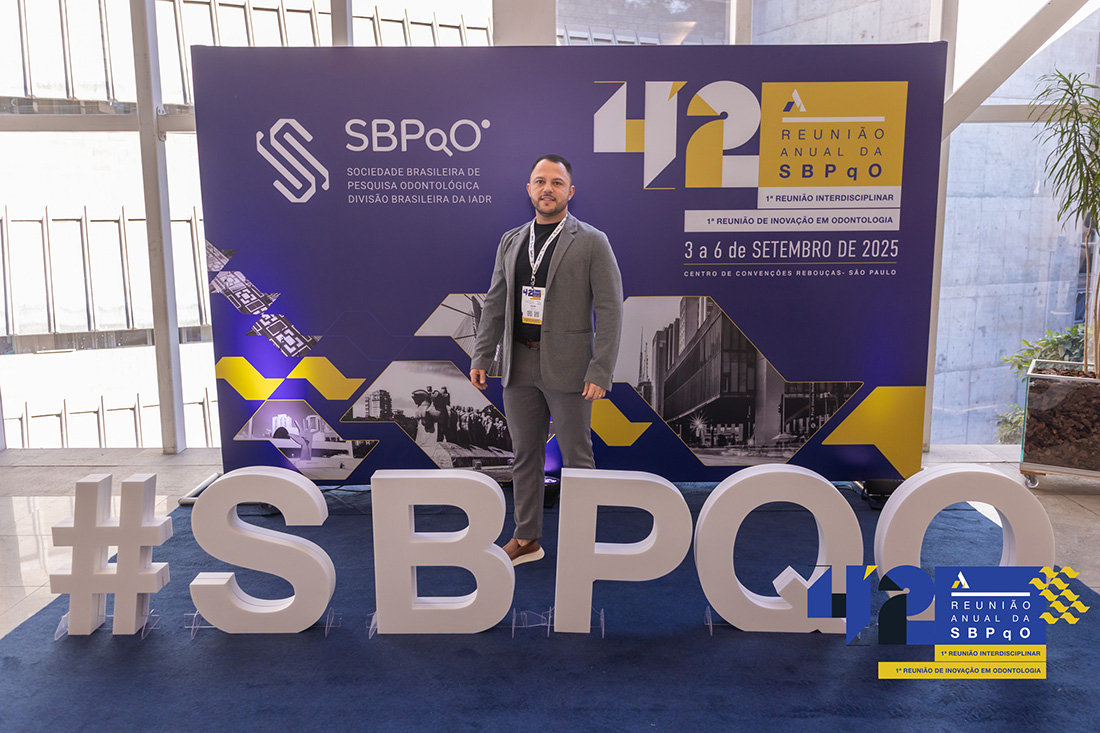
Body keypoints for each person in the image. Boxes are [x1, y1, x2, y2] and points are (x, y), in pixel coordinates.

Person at [469, 154, 623, 566]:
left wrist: (601, 369)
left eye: (556, 182)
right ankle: (527, 539)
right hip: (518, 364)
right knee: (524, 456)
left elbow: (610, 309)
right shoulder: (511, 241)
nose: (547, 189)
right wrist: (482, 354)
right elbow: (496, 302)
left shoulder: (592, 241)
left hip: (571, 368)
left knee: (577, 457)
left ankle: (581, 543)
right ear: (529, 189)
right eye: (540, 181)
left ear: (570, 191)